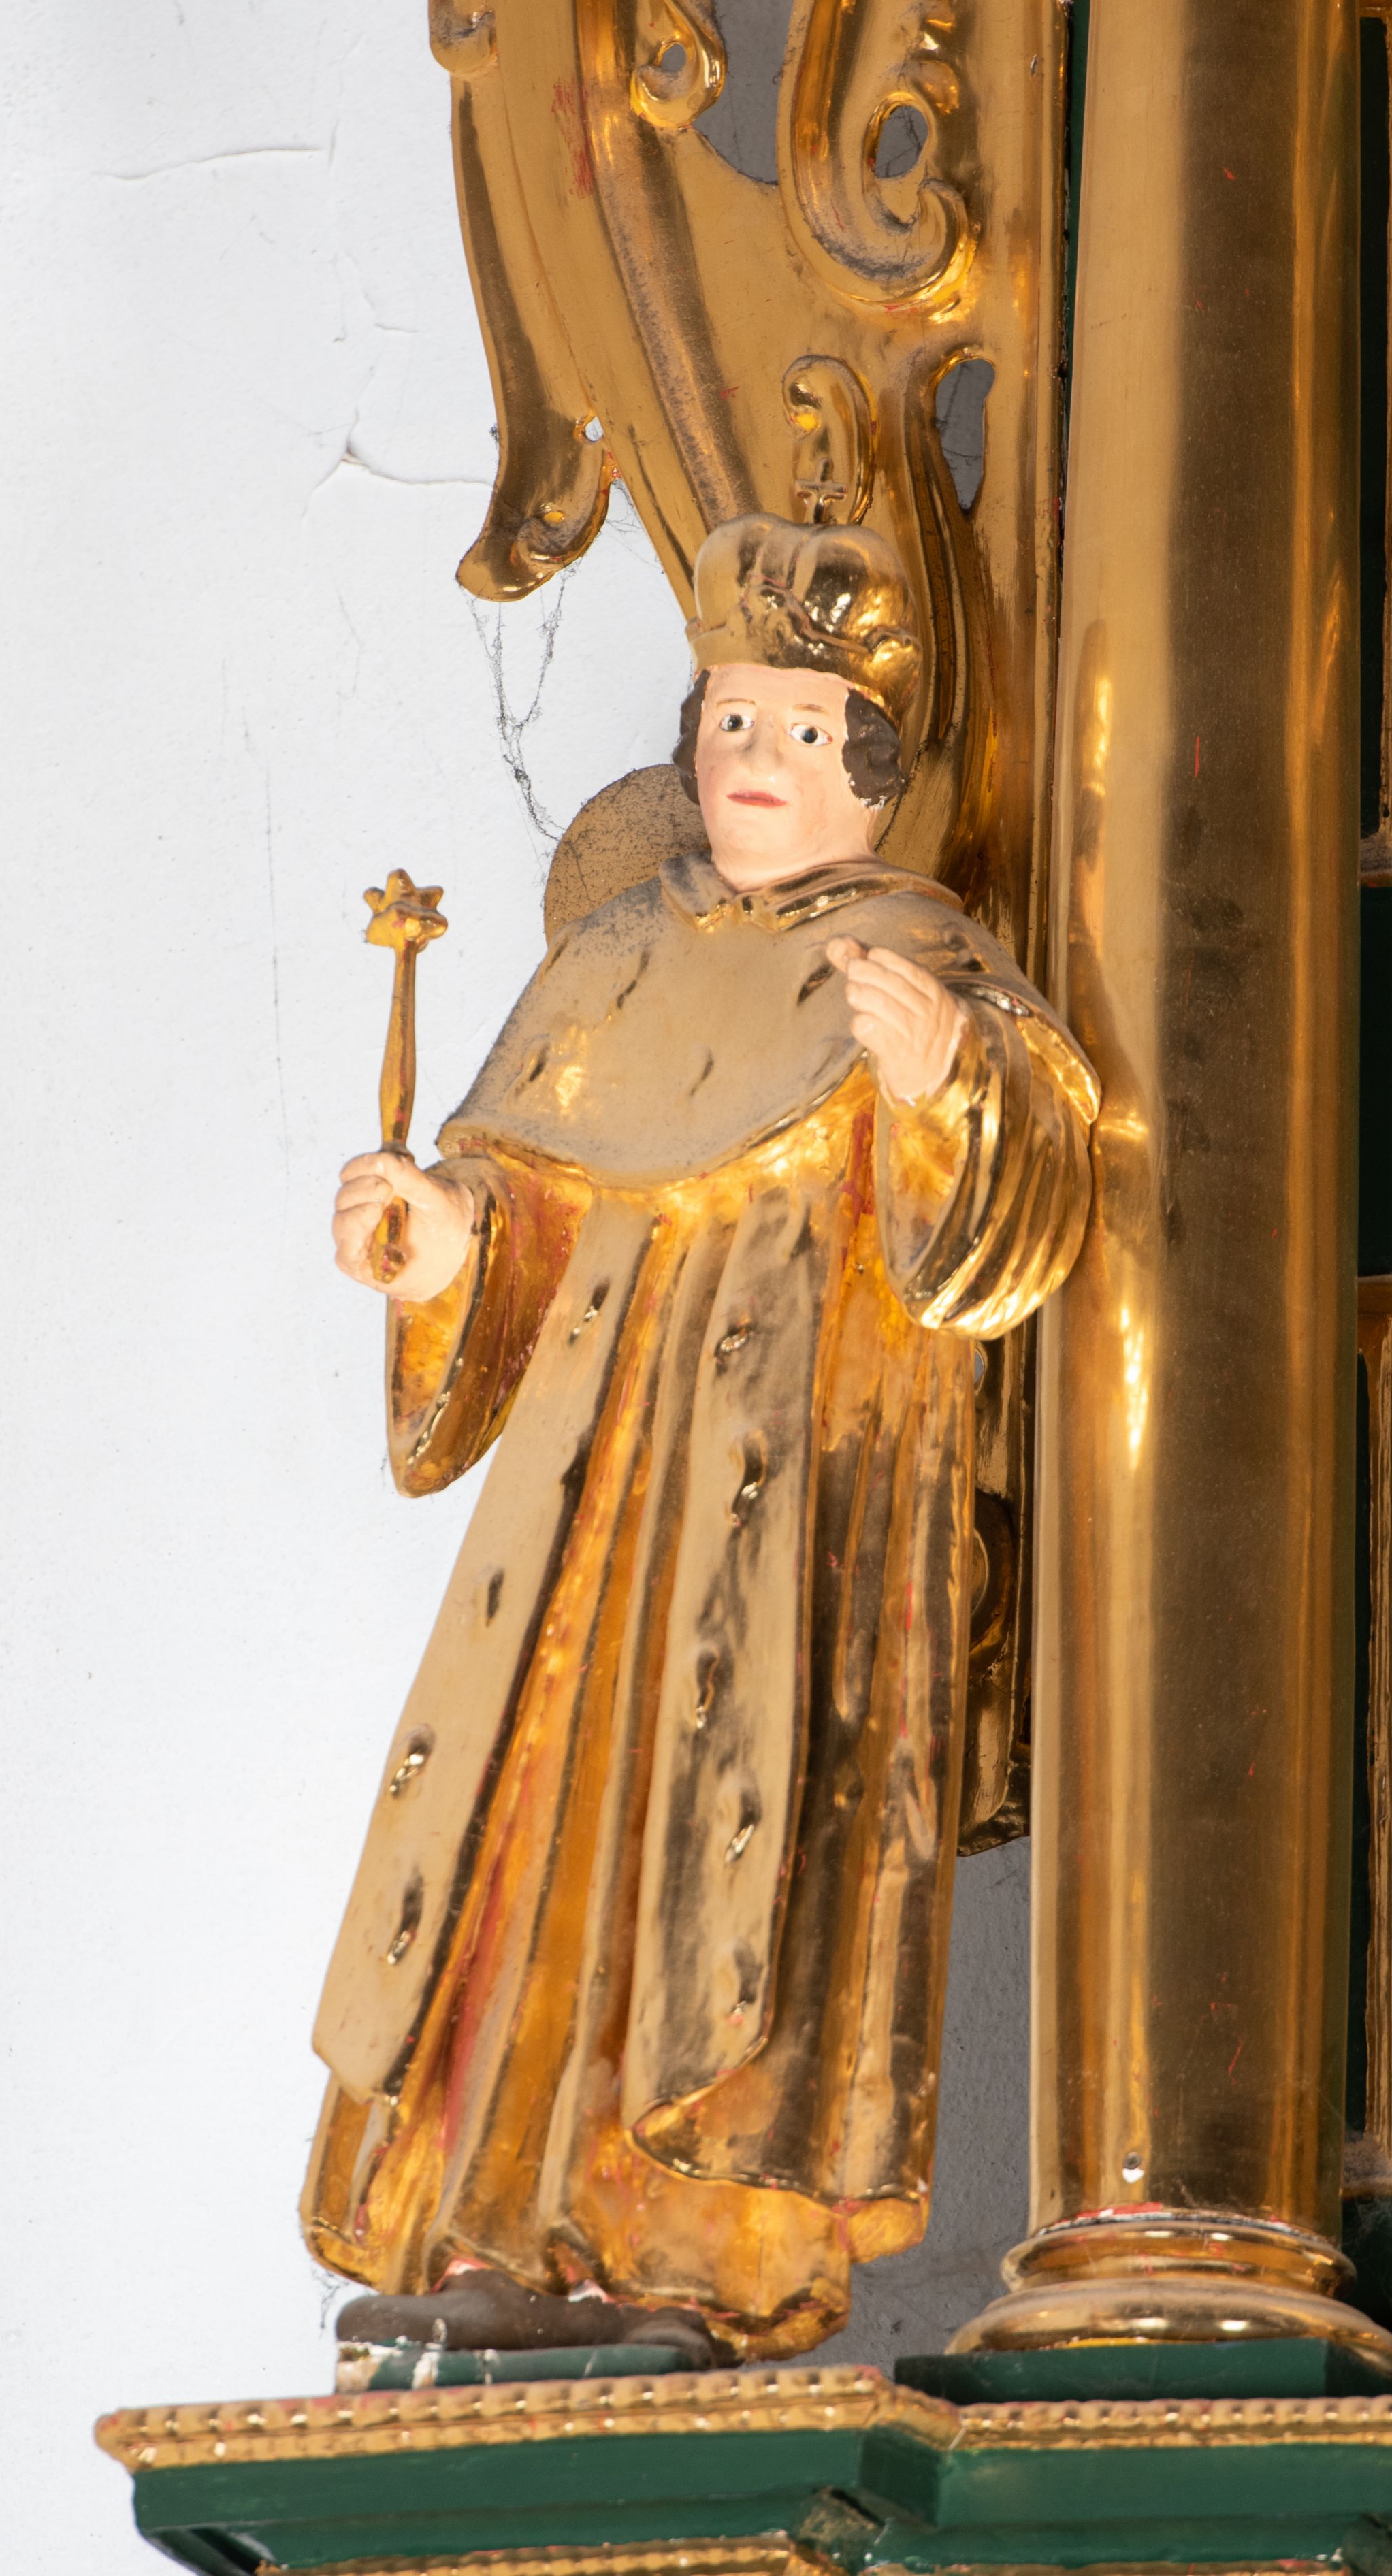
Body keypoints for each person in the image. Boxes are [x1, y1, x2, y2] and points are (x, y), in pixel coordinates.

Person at [304, 510, 1095, 2365]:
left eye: (803, 731)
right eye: (732, 720)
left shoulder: (920, 957)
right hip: (588, 1505)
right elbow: (524, 1203)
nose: (755, 759)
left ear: (874, 775)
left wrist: (943, 1089)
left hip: (797, 1511)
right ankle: (501, 2230)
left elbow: (1020, 1221)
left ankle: (691, 2261)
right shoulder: (612, 963)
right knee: (537, 1826)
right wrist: (437, 1241)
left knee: (733, 1840)